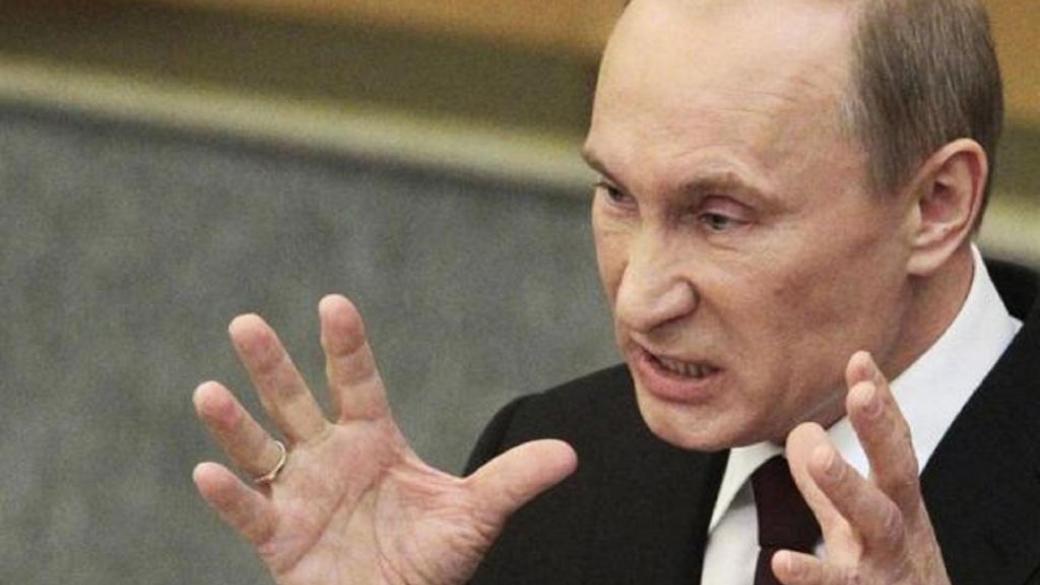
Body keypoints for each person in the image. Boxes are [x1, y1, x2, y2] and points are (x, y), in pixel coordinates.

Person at [191, 0, 1040, 584]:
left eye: (718, 217)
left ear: (936, 205)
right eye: (617, 195)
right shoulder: (556, 471)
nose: (639, 300)